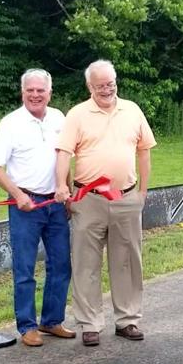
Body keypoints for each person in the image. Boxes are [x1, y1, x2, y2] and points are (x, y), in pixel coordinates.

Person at [54, 60, 156, 347]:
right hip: (88, 200)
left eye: (110, 83)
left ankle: (128, 320)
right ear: (90, 86)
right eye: (100, 86)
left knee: (127, 261)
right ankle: (90, 324)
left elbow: (144, 151)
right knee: (86, 263)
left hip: (126, 197)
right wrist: (61, 185)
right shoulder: (77, 114)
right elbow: (64, 153)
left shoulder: (132, 110)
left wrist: (142, 192)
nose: (107, 89)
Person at [0, 69, 74, 347]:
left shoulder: (59, 118)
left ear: (50, 92)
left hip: (55, 203)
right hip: (25, 205)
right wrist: (18, 194)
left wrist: (68, 192)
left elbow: (65, 158)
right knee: (24, 268)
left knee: (61, 264)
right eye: (30, 90)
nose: (35, 95)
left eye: (40, 90)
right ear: (22, 92)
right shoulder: (10, 123)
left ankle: (52, 320)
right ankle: (27, 326)